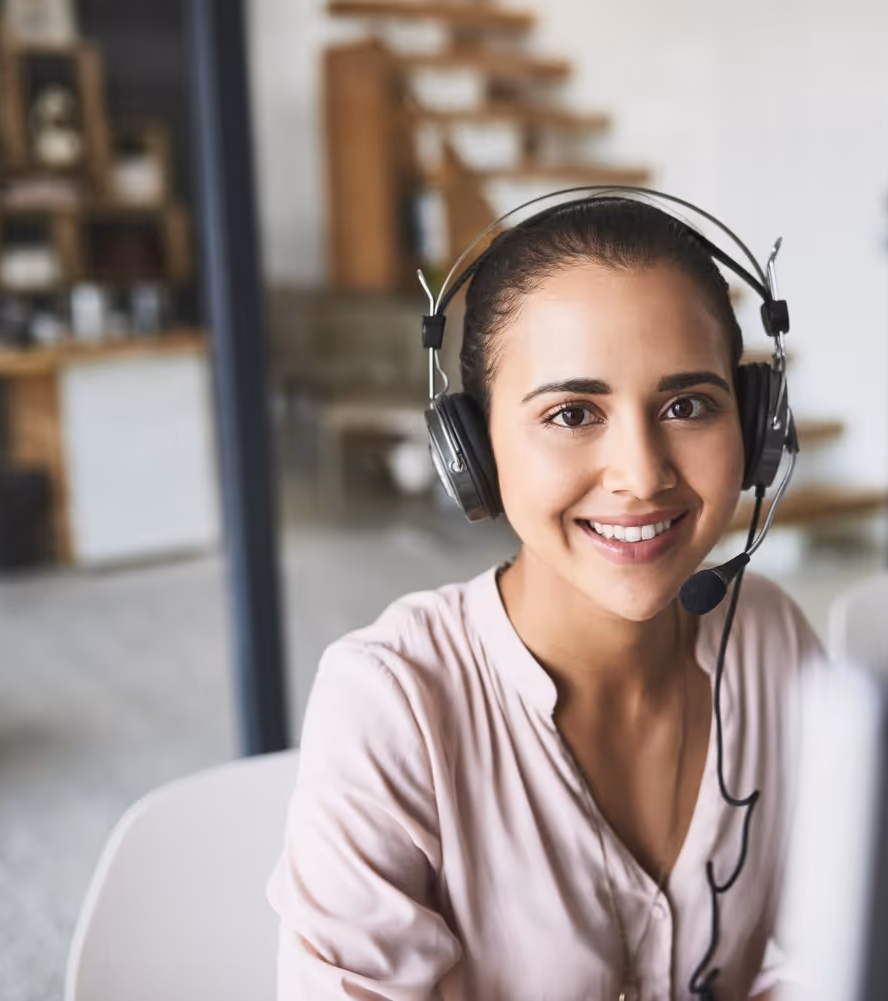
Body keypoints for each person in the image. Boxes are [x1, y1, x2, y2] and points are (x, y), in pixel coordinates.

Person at [268, 196, 825, 1000]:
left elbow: (839, 952)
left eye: (688, 404)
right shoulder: (393, 703)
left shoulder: (774, 641)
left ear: (757, 427)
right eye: (572, 412)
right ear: (473, 451)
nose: (641, 473)